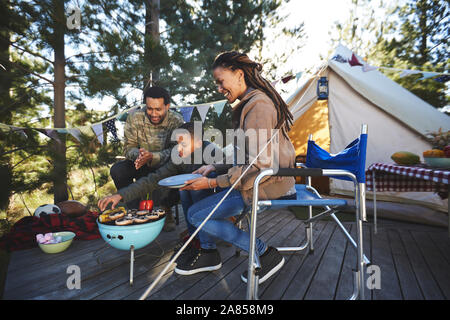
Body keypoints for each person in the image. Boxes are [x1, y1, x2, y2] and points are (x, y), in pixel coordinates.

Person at [174, 51, 297, 285]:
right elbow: (247, 155)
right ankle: (208, 253)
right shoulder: (251, 103)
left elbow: (258, 165)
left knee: (196, 215)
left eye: (221, 82)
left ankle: (264, 252)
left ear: (239, 74)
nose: (219, 89)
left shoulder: (258, 106)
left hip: (267, 185)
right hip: (260, 181)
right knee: (191, 190)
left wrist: (213, 182)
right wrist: (213, 166)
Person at [98, 121, 223, 260]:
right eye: (177, 144)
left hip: (219, 196)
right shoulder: (178, 157)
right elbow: (153, 179)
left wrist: (212, 172)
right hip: (194, 195)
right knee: (184, 189)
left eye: (184, 145)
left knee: (197, 185)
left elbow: (230, 170)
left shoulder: (211, 150)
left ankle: (207, 247)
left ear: (199, 143)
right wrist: (120, 195)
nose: (179, 149)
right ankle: (195, 238)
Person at [109, 86, 184, 232]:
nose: (154, 114)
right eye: (150, 109)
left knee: (179, 171)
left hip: (165, 165)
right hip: (139, 163)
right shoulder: (134, 117)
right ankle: (135, 211)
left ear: (167, 106)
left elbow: (178, 151)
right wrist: (140, 155)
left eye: (158, 109)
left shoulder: (177, 121)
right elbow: (128, 147)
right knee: (118, 170)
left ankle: (165, 209)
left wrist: (153, 157)